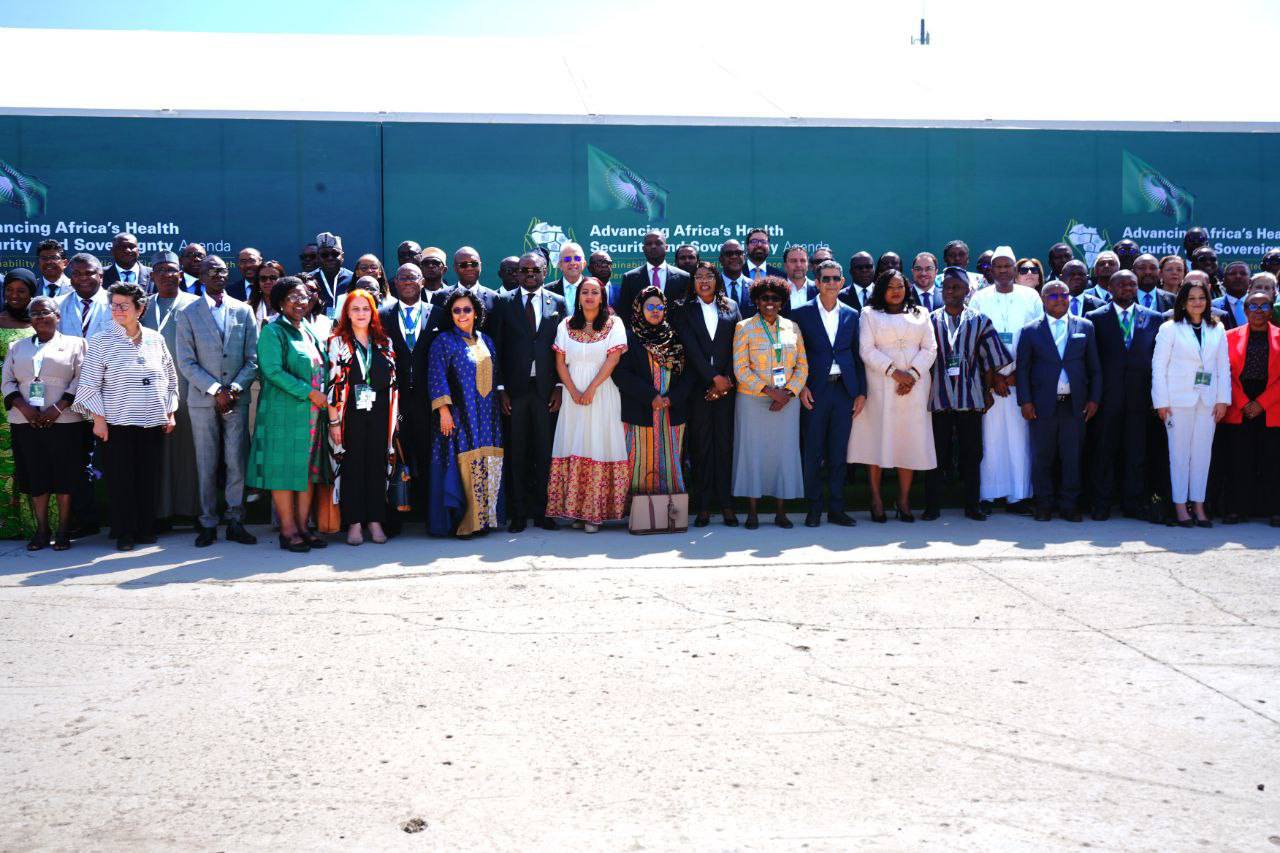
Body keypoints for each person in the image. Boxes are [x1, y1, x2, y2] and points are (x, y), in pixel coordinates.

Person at [72, 282, 178, 551]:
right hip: (117, 423)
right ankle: (124, 532)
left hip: (153, 421)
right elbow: (89, 384)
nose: (118, 310)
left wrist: (170, 412)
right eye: (114, 306)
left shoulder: (155, 338)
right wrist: (98, 420)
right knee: (121, 479)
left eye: (124, 305)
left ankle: (145, 529)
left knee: (148, 476)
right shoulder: (101, 341)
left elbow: (170, 377)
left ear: (140, 309)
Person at [175, 256, 260, 547]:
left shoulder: (243, 310)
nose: (218, 275)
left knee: (236, 461)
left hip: (236, 398)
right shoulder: (188, 313)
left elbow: (252, 358)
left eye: (223, 270)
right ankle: (208, 522)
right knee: (206, 462)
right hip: (202, 400)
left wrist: (233, 389)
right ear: (200, 276)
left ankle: (236, 520)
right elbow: (186, 362)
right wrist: (216, 390)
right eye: (211, 271)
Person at [246, 277, 330, 553]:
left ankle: (304, 527)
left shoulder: (308, 329)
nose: (300, 302)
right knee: (283, 471)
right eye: (293, 297)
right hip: (284, 414)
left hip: (312, 415)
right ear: (280, 302)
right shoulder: (273, 330)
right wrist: (309, 393)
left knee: (308, 471)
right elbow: (271, 371)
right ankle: (288, 530)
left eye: (304, 296)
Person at [923, 267, 1013, 521]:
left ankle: (972, 505)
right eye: (946, 287)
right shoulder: (929, 320)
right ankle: (932, 506)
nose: (950, 292)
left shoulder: (980, 320)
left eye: (956, 287)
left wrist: (987, 391)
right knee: (936, 454)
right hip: (937, 398)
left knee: (972, 454)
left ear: (967, 291)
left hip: (970, 398)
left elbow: (990, 360)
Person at [847, 270, 937, 522]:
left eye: (900, 286)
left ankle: (903, 500)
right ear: (881, 290)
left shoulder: (921, 313)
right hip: (881, 385)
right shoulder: (869, 314)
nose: (896, 291)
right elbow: (866, 349)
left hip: (914, 387)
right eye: (890, 287)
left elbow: (930, 348)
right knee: (876, 440)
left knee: (908, 441)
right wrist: (895, 373)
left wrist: (912, 375)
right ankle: (876, 499)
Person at [487, 252, 566, 532]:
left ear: (545, 272)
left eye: (535, 270)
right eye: (524, 270)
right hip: (515, 391)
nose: (529, 274)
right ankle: (519, 513)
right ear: (517, 273)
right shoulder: (503, 302)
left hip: (546, 390)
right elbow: (496, 348)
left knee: (545, 452)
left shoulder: (558, 302)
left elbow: (563, 348)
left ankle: (545, 511)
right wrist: (500, 389)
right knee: (517, 452)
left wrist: (559, 386)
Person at [546, 278, 629, 532]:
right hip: (573, 394)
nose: (590, 296)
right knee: (576, 443)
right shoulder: (565, 325)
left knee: (598, 444)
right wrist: (573, 391)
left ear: (602, 297)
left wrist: (591, 388)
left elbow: (613, 359)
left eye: (595, 292)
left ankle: (595, 514)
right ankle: (576, 511)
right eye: (585, 292)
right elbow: (560, 362)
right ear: (578, 297)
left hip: (602, 391)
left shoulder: (614, 323)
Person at [2, 296, 85, 549]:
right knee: (36, 475)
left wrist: (57, 408)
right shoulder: (17, 347)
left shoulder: (76, 344)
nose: (39, 317)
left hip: (65, 421)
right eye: (34, 313)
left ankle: (63, 530)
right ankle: (41, 530)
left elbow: (81, 379)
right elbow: (7, 381)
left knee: (64, 476)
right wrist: (24, 408)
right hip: (26, 422)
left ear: (57, 316)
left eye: (45, 312)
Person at [1016, 281, 1102, 522]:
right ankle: (1043, 505)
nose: (1060, 299)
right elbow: (1023, 369)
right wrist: (1025, 401)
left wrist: (1094, 399)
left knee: (1072, 458)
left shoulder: (1085, 326)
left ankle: (1069, 506)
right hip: (1042, 405)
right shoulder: (1030, 330)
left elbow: (1095, 368)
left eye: (1064, 294)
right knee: (1042, 457)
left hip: (1075, 405)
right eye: (1053, 295)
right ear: (1043, 300)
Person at [1151, 278, 1231, 527]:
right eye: (1192, 298)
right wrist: (1161, 402)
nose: (1197, 302)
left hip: (1208, 401)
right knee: (1179, 454)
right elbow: (1158, 367)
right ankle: (1179, 505)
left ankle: (1198, 504)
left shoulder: (1217, 328)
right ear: (1183, 302)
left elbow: (1223, 367)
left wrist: (1223, 400)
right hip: (1177, 400)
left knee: (1202, 455)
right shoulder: (1170, 328)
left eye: (1202, 298)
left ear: (1208, 301)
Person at [792, 260, 866, 527]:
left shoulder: (852, 314)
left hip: (844, 391)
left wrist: (861, 392)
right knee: (813, 452)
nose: (831, 283)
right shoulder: (801, 314)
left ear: (842, 282)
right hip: (814, 391)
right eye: (826, 279)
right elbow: (794, 356)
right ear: (817, 282)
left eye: (836, 278)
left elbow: (857, 355)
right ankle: (814, 508)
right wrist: (801, 386)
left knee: (838, 453)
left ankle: (837, 508)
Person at [970, 246, 1043, 512]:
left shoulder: (1030, 296)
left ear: (1014, 269)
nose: (1002, 271)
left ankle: (1018, 496)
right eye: (997, 266)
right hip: (989, 383)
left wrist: (1015, 376)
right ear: (991, 270)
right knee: (990, 439)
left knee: (1019, 439)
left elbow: (1037, 338)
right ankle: (989, 495)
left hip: (1019, 381)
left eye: (1007, 266)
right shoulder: (979, 298)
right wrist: (993, 379)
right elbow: (974, 341)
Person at [731, 276, 808, 529]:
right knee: (752, 453)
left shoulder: (792, 327)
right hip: (753, 400)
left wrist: (788, 393)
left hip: (787, 401)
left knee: (783, 454)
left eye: (775, 298)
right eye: (765, 298)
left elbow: (802, 366)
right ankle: (752, 512)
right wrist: (769, 391)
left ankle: (781, 512)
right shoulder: (744, 327)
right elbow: (740, 368)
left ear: (783, 301)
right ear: (756, 300)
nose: (770, 302)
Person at [1086, 269, 1163, 520]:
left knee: (1136, 453)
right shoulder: (1094, 318)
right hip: (1107, 399)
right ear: (1110, 288)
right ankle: (1102, 503)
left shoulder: (1153, 318)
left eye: (1132, 285)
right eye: (1122, 284)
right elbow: (1091, 362)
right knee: (1104, 452)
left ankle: (1134, 503)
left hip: (1140, 398)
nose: (1128, 289)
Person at [426, 290, 503, 539]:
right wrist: (444, 411)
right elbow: (436, 377)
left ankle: (484, 520)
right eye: (456, 310)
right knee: (461, 460)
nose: (462, 315)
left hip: (487, 417)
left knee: (487, 459)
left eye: (467, 309)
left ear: (476, 313)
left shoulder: (486, 340)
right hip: (459, 416)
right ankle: (465, 523)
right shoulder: (443, 341)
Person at [326, 289, 398, 546]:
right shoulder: (337, 342)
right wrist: (334, 421)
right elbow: (332, 384)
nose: (361, 314)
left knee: (377, 465)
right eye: (355, 309)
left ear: (373, 312)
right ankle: (354, 523)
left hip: (380, 413)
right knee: (353, 466)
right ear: (346, 313)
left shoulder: (384, 342)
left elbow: (393, 381)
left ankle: (375, 521)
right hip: (349, 415)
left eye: (365, 309)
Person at [614, 285, 694, 504]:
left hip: (672, 411)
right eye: (650, 307)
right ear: (640, 309)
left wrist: (671, 398)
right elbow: (621, 374)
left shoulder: (675, 337)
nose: (655, 311)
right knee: (639, 460)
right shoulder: (629, 338)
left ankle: (670, 510)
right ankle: (637, 510)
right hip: (641, 410)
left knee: (670, 461)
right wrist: (651, 396)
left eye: (659, 307)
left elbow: (689, 373)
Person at [674, 261, 741, 527]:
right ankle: (702, 506)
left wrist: (726, 380)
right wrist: (713, 379)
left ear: (717, 280)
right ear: (692, 282)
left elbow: (738, 346)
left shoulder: (731, 307)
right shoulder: (684, 309)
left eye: (709, 276)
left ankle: (726, 504)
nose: (704, 281)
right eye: (699, 276)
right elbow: (690, 349)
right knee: (701, 447)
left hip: (727, 388)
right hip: (698, 388)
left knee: (724, 446)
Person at [141, 252, 200, 526]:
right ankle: (159, 513)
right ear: (152, 275)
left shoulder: (195, 305)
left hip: (189, 388)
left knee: (189, 451)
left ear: (181, 274)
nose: (167, 275)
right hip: (151, 390)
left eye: (172, 270)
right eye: (160, 270)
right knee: (157, 452)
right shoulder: (143, 306)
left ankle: (190, 510)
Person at [379, 263, 433, 532]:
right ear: (395, 283)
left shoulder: (438, 314)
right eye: (403, 278)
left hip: (428, 400)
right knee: (396, 456)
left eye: (413, 277)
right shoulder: (382, 315)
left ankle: (429, 515)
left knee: (428, 454)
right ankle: (394, 519)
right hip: (396, 400)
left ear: (422, 281)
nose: (408, 282)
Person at [1220, 291, 1280, 525]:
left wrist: (1262, 403)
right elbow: (1224, 373)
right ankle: (1237, 508)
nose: (1259, 311)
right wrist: (1244, 402)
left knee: (1272, 459)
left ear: (1271, 311)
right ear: (1245, 311)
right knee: (1239, 457)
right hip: (1239, 401)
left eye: (1264, 306)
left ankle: (1274, 509)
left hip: (1272, 403)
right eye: (1253, 306)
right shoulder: (1228, 337)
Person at [0, 270, 37, 539]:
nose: (14, 296)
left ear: (31, 294)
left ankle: (32, 523)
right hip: (2, 403)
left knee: (28, 457)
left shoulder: (40, 321)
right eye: (9, 290)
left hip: (30, 400)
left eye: (21, 291)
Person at [618, 230, 691, 325]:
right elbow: (625, 313)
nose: (653, 246)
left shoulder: (683, 277)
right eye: (649, 244)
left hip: (675, 332)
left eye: (658, 243)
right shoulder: (630, 278)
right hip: (641, 333)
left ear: (666, 247)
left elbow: (687, 313)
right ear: (643, 249)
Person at [428, 246, 496, 335]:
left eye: (474, 264)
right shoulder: (440, 296)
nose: (469, 268)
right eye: (463, 265)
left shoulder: (494, 298)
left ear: (480, 265)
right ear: (455, 268)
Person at [57, 253, 113, 340]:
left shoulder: (115, 303)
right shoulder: (57, 305)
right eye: (76, 274)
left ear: (101, 276)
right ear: (70, 277)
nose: (83, 278)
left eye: (89, 273)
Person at [313, 231, 353, 311]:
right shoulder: (310, 279)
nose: (330, 258)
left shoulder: (352, 278)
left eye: (335, 254)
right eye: (324, 255)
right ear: (317, 258)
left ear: (342, 256)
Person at [1213, 261, 1252, 329]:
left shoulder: (1259, 305)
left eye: (1243, 273)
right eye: (1232, 273)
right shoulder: (1213, 306)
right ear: (1224, 281)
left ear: (1250, 281)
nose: (1238, 276)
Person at [248, 260, 286, 326]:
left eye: (273, 278)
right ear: (258, 281)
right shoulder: (248, 306)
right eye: (263, 278)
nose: (268, 282)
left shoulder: (290, 306)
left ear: (282, 280)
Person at [719, 240, 752, 310]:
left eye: (738, 253)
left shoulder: (753, 286)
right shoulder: (713, 285)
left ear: (744, 258)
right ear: (721, 259)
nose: (734, 256)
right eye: (729, 254)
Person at [781, 245, 815, 313]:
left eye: (802, 261)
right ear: (785, 266)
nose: (798, 265)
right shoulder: (776, 290)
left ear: (808, 265)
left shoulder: (819, 290)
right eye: (793, 261)